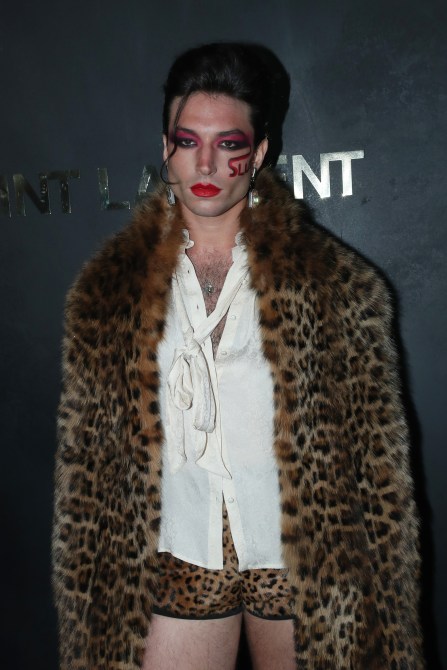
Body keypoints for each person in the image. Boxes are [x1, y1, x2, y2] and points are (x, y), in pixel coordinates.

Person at [52, 43, 423, 669]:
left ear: (259, 151)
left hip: (301, 558)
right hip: (173, 551)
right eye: (187, 140)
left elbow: (378, 470)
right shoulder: (108, 292)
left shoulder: (337, 286)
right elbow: (86, 472)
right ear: (166, 146)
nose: (205, 163)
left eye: (228, 143)